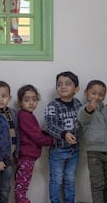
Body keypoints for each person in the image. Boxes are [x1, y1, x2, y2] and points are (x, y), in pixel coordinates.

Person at [44, 71, 82, 203]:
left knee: (70, 179)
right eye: (59, 84)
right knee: (56, 179)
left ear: (76, 89)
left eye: (68, 84)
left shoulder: (78, 104)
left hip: (74, 150)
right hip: (58, 151)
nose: (63, 87)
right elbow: (49, 126)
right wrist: (63, 134)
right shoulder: (52, 106)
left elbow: (83, 122)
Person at [14, 85, 54, 203]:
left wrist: (46, 134)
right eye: (27, 100)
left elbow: (35, 132)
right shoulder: (24, 115)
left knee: (22, 184)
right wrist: (52, 141)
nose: (31, 103)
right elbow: (36, 137)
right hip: (26, 157)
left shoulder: (28, 115)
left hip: (27, 156)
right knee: (21, 185)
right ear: (20, 102)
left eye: (34, 99)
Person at [77, 80, 107, 203]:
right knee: (98, 184)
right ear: (86, 93)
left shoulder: (105, 110)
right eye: (94, 93)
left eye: (101, 94)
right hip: (94, 152)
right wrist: (90, 108)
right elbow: (83, 117)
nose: (97, 97)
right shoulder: (84, 109)